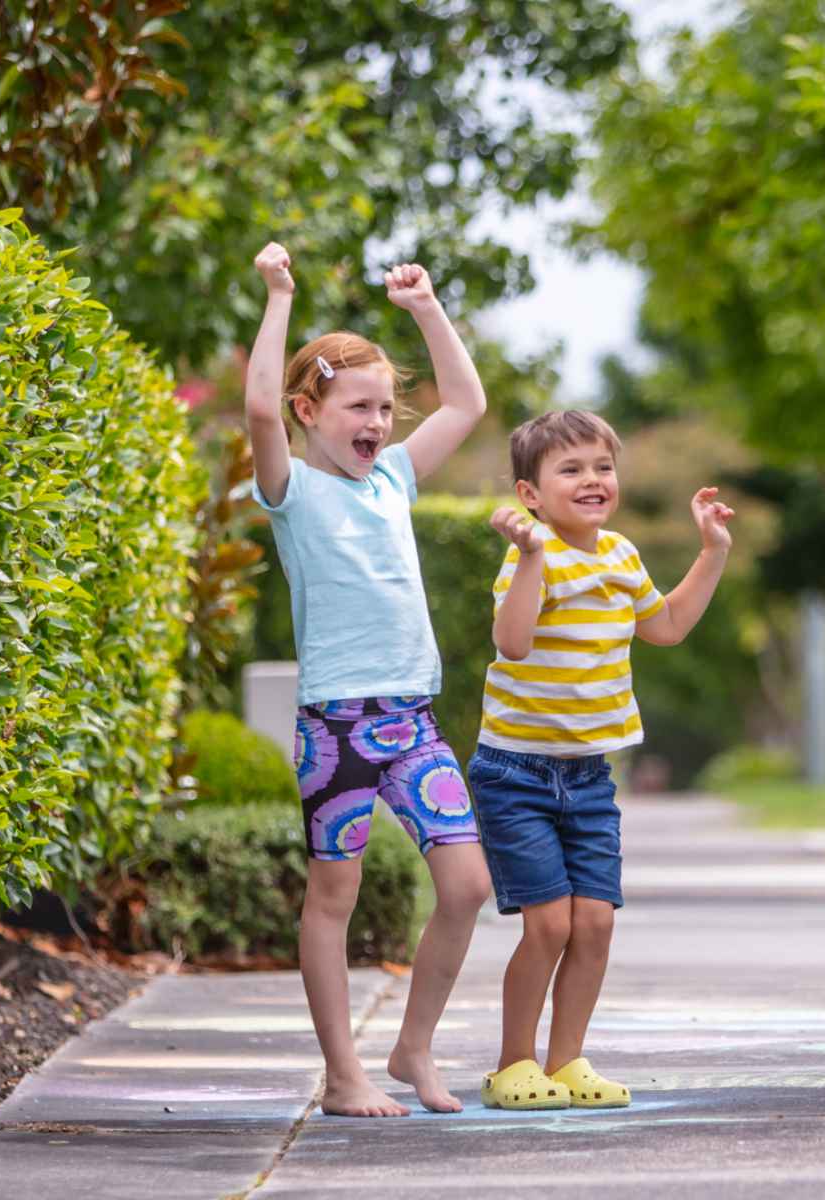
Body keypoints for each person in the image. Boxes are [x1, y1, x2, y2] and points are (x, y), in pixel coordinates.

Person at [246, 242, 492, 1117]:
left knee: (467, 887)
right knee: (333, 897)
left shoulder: (393, 479)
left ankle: (413, 1049)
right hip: (334, 729)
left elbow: (468, 401)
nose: (379, 422)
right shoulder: (291, 493)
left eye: (387, 407)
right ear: (311, 409)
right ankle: (343, 1072)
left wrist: (426, 308)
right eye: (359, 406)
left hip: (411, 723)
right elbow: (257, 410)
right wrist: (280, 296)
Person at [469, 410, 733, 1110]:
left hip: (588, 775)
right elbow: (514, 641)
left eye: (602, 467)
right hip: (515, 773)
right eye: (571, 469)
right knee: (548, 924)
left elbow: (667, 626)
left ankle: (567, 1061)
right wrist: (528, 557)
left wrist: (712, 553)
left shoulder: (619, 554)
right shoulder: (532, 552)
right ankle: (512, 1064)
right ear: (530, 493)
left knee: (596, 923)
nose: (592, 480)